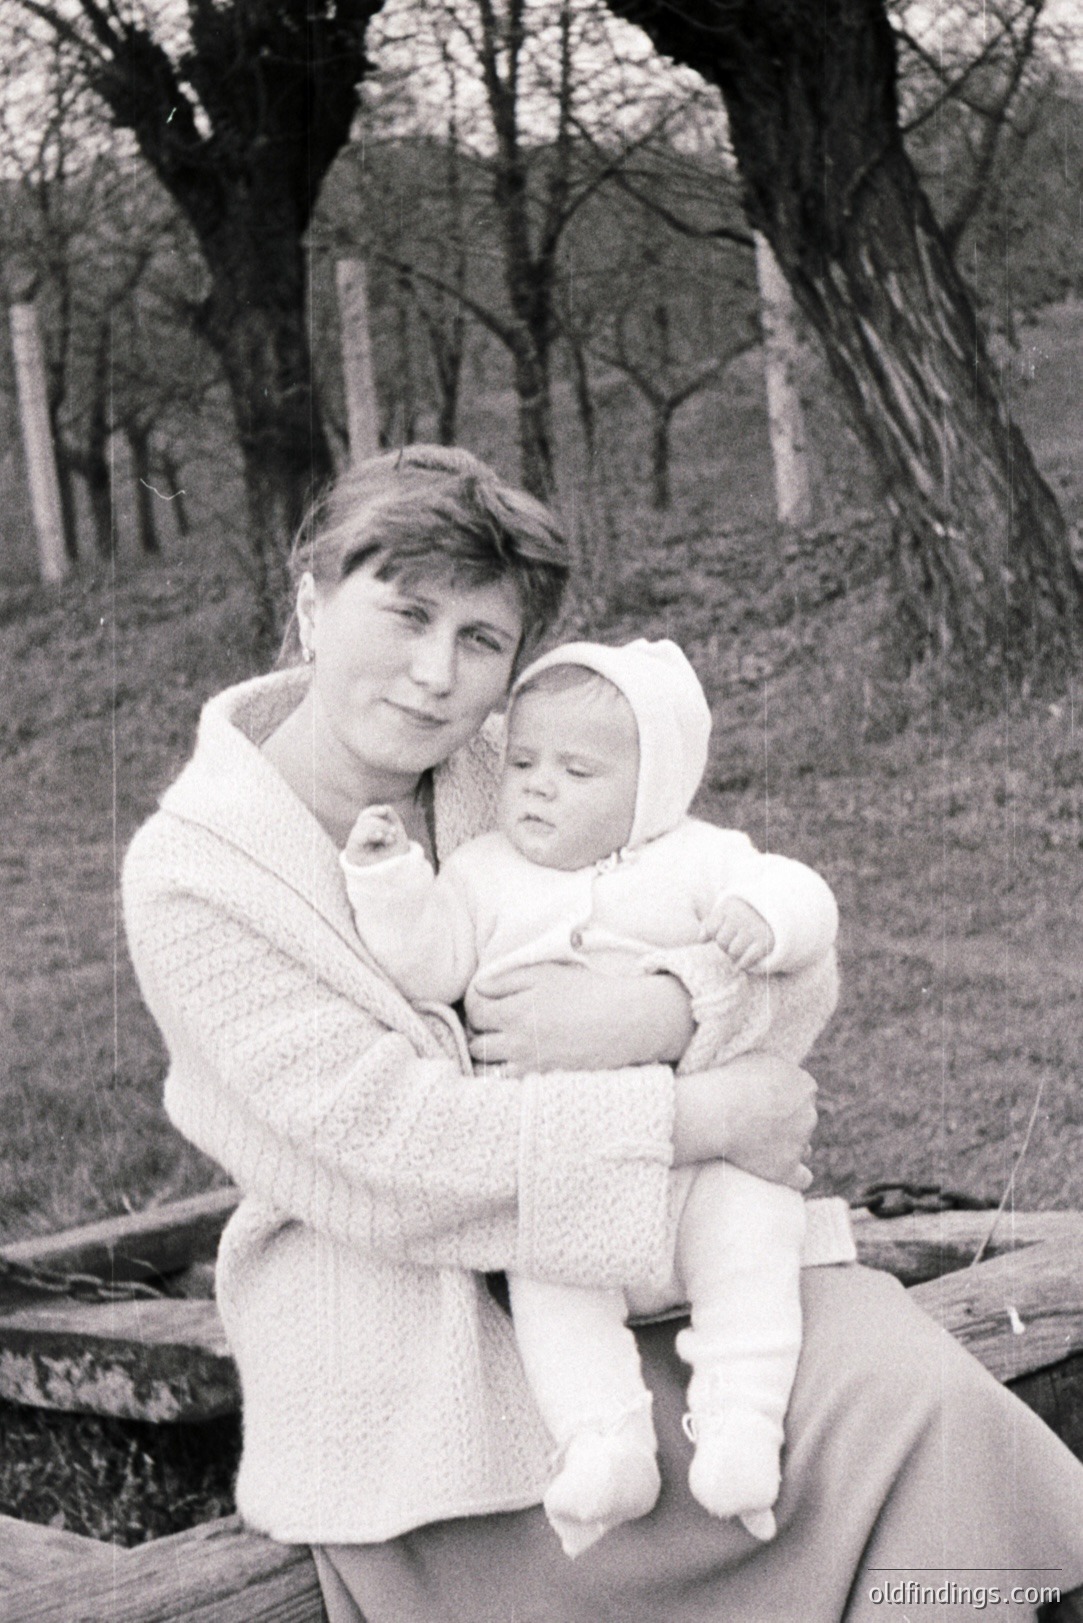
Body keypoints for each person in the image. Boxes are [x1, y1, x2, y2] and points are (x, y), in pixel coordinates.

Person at [121, 445, 1083, 1623]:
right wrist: (699, 1112)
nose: (436, 675)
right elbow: (390, 1155)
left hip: (656, 1272)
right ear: (311, 598)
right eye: (407, 614)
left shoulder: (515, 763)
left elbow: (775, 940)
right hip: (418, 1340)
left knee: (920, 1401)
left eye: (481, 642)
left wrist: (670, 1008)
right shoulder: (197, 874)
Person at [340, 635, 841, 1554]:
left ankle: (741, 1419)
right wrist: (390, 880)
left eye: (576, 770)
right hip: (566, 1165)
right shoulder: (484, 872)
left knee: (752, 1241)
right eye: (523, 760)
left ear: (653, 788)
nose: (536, 785)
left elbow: (802, 896)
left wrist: (767, 917)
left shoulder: (700, 856)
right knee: (550, 1289)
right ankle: (606, 1440)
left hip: (707, 1169)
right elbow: (430, 958)